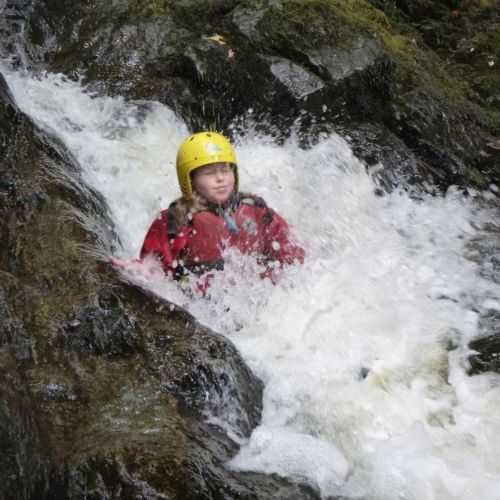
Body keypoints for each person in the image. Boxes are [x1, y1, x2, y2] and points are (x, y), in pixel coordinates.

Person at [110, 131, 304, 291]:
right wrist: (139, 270)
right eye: (210, 173)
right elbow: (156, 269)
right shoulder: (178, 219)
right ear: (191, 180)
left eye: (225, 170)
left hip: (259, 297)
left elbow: (288, 248)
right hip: (203, 304)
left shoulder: (255, 208)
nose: (220, 178)